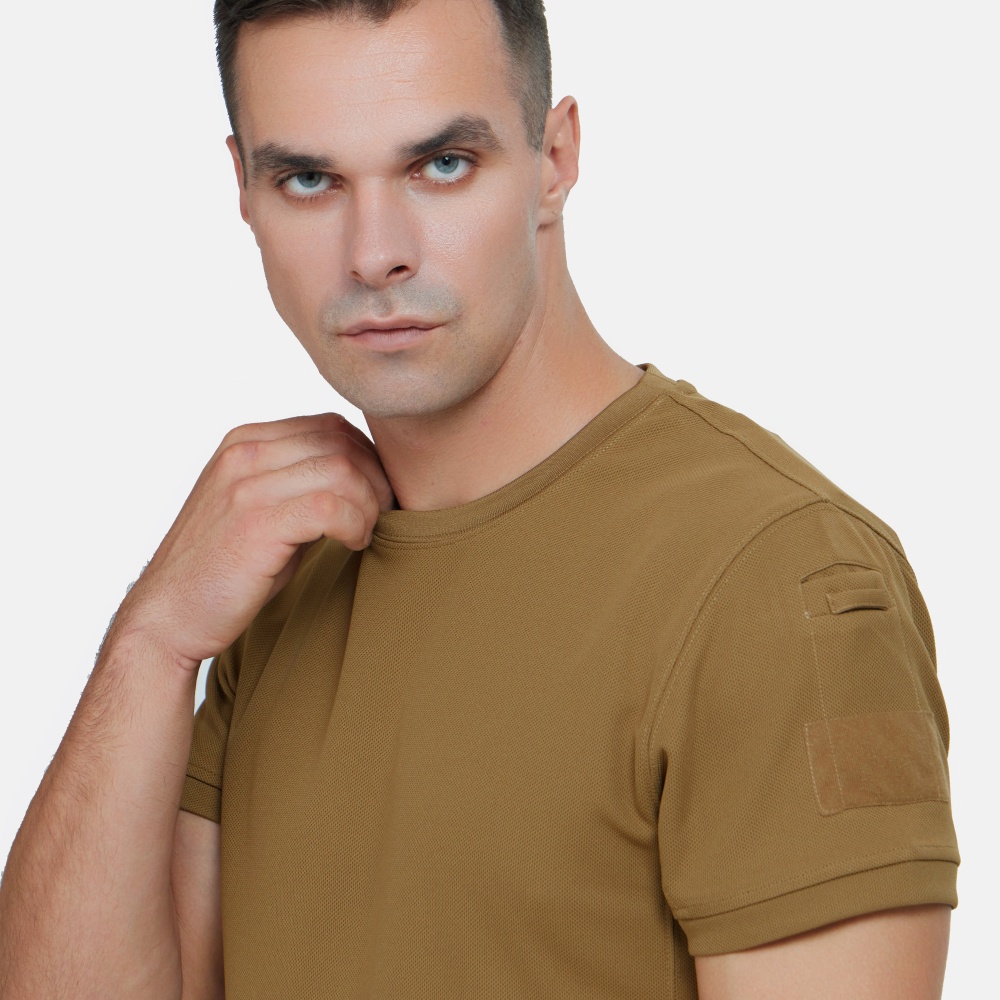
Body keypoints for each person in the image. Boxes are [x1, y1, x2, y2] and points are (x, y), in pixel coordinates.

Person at [0, 0, 959, 996]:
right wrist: (153, 640)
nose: (374, 253)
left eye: (442, 165)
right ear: (243, 189)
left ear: (555, 158)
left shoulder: (775, 578)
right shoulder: (279, 571)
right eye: (309, 180)